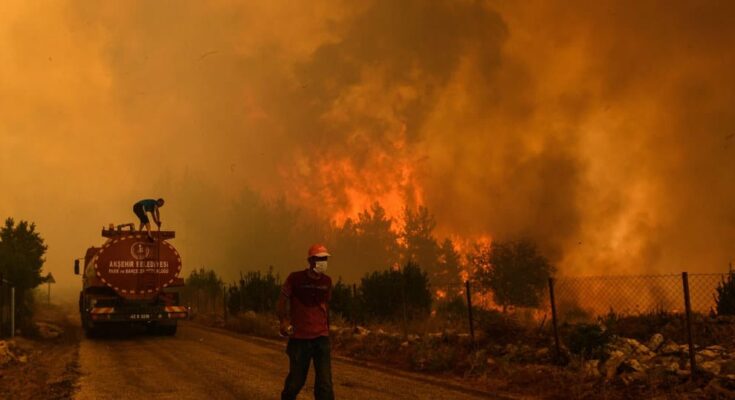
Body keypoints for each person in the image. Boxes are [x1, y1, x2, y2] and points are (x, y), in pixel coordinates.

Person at [277, 243, 335, 400]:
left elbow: (326, 308)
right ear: (310, 261)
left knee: (325, 384)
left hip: (321, 338)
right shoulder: (295, 279)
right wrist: (283, 321)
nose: (323, 262)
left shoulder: (327, 282)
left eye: (325, 259)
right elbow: (282, 300)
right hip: (300, 340)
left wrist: (328, 332)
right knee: (296, 382)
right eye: (320, 258)